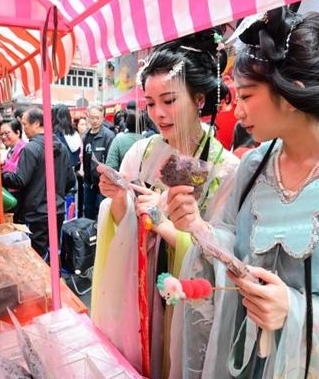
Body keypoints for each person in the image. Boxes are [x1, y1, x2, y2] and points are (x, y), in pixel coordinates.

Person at [170, 8, 319, 379]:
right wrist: (197, 228)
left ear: (293, 94)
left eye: (247, 95)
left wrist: (296, 313)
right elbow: (229, 242)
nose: (236, 111)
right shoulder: (253, 166)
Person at [91, 27, 239, 377]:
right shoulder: (141, 153)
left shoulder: (226, 168)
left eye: (169, 101)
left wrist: (168, 227)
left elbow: (224, 254)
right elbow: (121, 219)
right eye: (152, 103)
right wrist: (116, 202)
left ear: (200, 98)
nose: (159, 113)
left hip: (189, 297)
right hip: (140, 282)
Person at [0, 108, 76, 259]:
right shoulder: (61, 147)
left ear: (36, 123)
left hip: (35, 213)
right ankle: (53, 281)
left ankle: (42, 282)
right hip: (57, 211)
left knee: (35, 256)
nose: (24, 128)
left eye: (25, 124)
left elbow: (19, 180)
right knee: (53, 252)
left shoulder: (31, 148)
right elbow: (70, 180)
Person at [81, 104, 115, 219]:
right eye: (92, 118)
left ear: (103, 118)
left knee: (103, 212)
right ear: (88, 118)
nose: (95, 121)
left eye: (98, 118)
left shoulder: (108, 136)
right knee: (88, 210)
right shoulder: (85, 135)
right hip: (87, 181)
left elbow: (111, 161)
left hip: (103, 182)